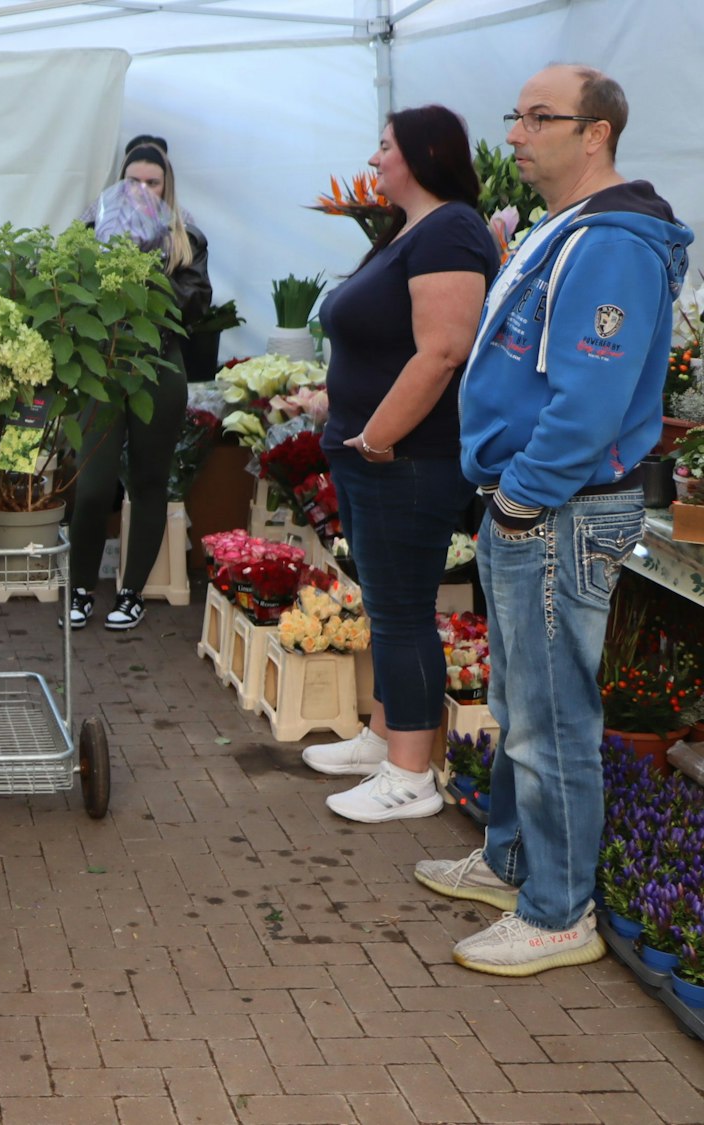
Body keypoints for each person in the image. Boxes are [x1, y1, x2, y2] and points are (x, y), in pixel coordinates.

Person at [415, 66, 693, 977]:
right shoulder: (571, 229)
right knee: (517, 706)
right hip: (539, 505)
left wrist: (523, 496)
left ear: (597, 133)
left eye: (541, 118)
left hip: (558, 511)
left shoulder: (612, 242)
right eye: (517, 116)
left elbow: (590, 398)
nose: (518, 133)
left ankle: (557, 912)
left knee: (551, 719)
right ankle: (511, 865)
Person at [300, 106, 497, 824]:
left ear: (422, 153)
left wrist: (379, 436)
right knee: (385, 608)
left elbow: (444, 349)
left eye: (384, 147)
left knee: (406, 611)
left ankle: (410, 774)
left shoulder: (450, 228)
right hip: (373, 455)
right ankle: (385, 735)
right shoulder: (408, 230)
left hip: (408, 458)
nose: (375, 159)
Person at [65, 143, 212, 631]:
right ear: (118, 182)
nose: (143, 191)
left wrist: (148, 271)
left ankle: (131, 593)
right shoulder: (91, 226)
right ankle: (81, 586)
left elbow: (196, 303)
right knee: (92, 485)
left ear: (167, 184)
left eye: (153, 183)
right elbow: (70, 292)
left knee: (150, 484)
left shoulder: (185, 233)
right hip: (103, 367)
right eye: (133, 182)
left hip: (158, 367)